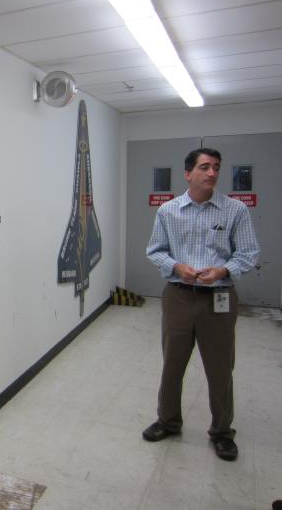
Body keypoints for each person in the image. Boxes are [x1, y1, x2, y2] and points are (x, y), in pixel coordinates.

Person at [142, 148, 259, 461]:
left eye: (216, 167)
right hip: (178, 296)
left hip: (218, 300)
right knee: (172, 364)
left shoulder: (234, 211)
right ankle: (168, 421)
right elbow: (155, 251)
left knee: (220, 369)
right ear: (188, 173)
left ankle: (221, 431)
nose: (212, 173)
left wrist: (222, 270)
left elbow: (248, 254)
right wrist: (178, 267)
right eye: (205, 167)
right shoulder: (168, 211)